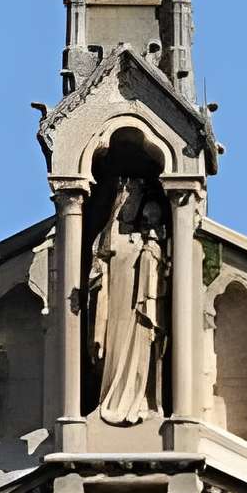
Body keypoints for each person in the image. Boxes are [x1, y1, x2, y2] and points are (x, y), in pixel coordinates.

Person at [88, 175, 167, 422]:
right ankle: (109, 398)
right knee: (113, 353)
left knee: (142, 351)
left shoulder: (149, 242)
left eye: (136, 199)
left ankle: (140, 398)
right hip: (114, 315)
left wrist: (151, 251)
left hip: (139, 314)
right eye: (126, 200)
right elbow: (96, 276)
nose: (131, 205)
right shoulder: (109, 239)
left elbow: (159, 277)